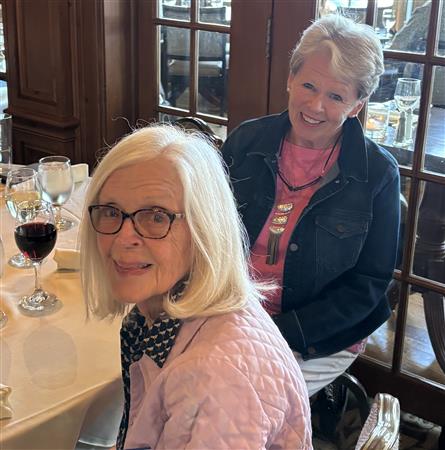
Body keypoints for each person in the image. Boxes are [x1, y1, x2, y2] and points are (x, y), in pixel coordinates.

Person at [79, 125, 312, 449]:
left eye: (156, 217)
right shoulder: (171, 309)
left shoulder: (215, 379)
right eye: (111, 212)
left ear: (205, 228)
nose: (123, 238)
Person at [222, 14, 400, 397]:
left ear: (357, 105)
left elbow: (369, 284)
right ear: (290, 79)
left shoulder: (378, 174)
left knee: (243, 402)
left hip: (318, 335)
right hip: (231, 313)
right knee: (174, 384)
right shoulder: (245, 142)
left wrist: (280, 332)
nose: (316, 105)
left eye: (336, 96)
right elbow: (206, 231)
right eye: (308, 85)